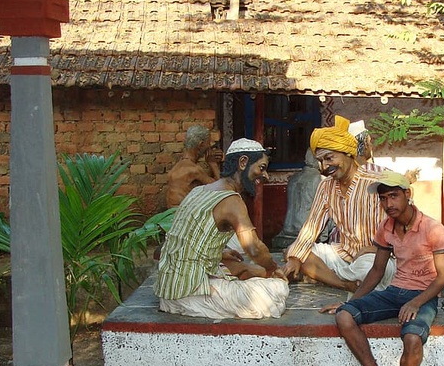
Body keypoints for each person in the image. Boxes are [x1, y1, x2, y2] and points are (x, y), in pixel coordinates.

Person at [320, 171, 444, 366]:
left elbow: (443, 277)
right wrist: (350, 302)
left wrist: (416, 302)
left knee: (413, 338)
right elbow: (377, 270)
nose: (388, 204)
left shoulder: (433, 229)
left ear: (407, 195)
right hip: (394, 292)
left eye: (394, 196)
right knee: (344, 316)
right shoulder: (386, 227)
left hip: (423, 296)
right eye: (383, 198)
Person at [155, 138, 289, 319]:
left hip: (169, 288)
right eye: (262, 168)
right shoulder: (232, 200)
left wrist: (221, 252)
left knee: (253, 270)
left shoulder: (199, 191)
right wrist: (274, 268)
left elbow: (189, 237)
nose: (265, 176)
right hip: (188, 294)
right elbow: (253, 248)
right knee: (278, 288)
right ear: (243, 163)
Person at [282, 115, 396, 292]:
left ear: (348, 153)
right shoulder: (326, 186)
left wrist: (375, 248)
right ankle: (346, 284)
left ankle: (344, 279)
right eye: (320, 161)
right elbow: (312, 226)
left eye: (329, 158)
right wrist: (295, 258)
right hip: (344, 254)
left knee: (369, 269)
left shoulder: (378, 181)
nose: (324, 166)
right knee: (294, 251)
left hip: (378, 256)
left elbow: (404, 225)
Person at [166, 124, 223, 208]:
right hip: (180, 213)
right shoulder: (194, 170)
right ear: (201, 144)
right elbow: (221, 190)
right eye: (208, 143)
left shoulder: (178, 166)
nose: (209, 147)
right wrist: (213, 164)